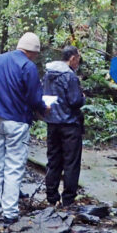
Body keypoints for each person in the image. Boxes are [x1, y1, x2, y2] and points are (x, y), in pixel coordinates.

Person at [0, 32, 47, 227]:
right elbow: (34, 98)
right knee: (13, 168)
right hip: (17, 122)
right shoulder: (28, 66)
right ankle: (9, 212)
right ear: (33, 52)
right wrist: (44, 109)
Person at [42, 46, 85, 207]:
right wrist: (83, 97)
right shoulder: (70, 76)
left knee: (53, 159)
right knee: (71, 162)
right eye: (78, 59)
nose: (78, 63)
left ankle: (52, 196)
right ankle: (68, 199)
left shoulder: (48, 74)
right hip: (69, 124)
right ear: (72, 58)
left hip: (52, 122)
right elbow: (75, 101)